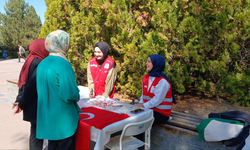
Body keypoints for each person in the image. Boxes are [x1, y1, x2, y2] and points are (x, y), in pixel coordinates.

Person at [36, 30, 81, 150]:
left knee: (52, 146)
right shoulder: (63, 64)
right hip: (63, 121)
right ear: (62, 43)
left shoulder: (42, 63)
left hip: (49, 117)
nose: (69, 46)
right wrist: (77, 93)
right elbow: (70, 94)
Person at [12, 39, 49, 150]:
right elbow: (29, 86)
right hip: (37, 105)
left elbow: (22, 82)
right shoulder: (39, 63)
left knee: (35, 133)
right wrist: (21, 103)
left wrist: (19, 100)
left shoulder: (29, 60)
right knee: (38, 135)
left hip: (32, 105)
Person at [135, 54, 176, 127]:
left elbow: (157, 100)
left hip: (161, 113)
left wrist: (143, 105)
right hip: (148, 109)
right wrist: (139, 105)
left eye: (149, 62)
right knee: (131, 116)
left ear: (156, 64)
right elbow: (143, 94)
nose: (146, 63)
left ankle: (139, 138)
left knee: (140, 123)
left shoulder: (162, 81)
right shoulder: (145, 78)